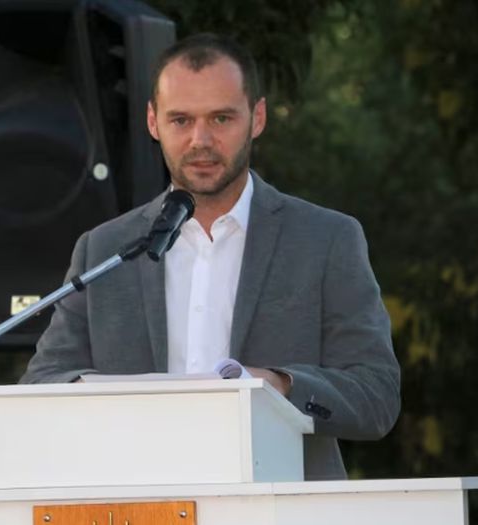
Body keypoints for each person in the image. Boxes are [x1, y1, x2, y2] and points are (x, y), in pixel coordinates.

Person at [20, 33, 400, 481]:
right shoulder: (104, 250)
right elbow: (41, 383)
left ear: (257, 117)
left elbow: (377, 396)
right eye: (180, 120)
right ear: (152, 121)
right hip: (137, 504)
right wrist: (104, 396)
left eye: (221, 118)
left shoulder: (326, 239)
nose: (201, 140)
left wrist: (279, 386)